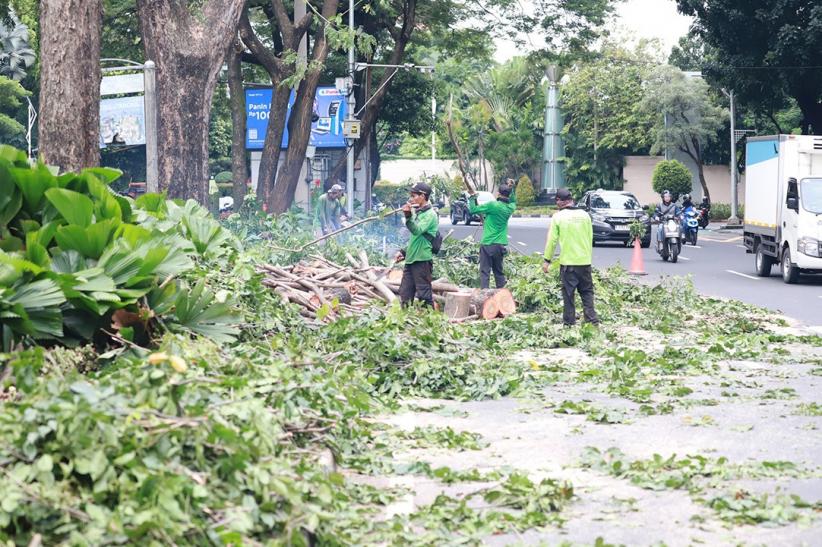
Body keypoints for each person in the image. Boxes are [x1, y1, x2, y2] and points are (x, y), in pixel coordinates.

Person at [542, 188, 599, 327]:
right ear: (571, 200)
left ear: (560, 201)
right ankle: (592, 321)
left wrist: (547, 260)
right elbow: (590, 237)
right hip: (585, 262)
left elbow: (552, 240)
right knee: (587, 292)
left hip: (569, 263)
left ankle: (569, 323)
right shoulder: (585, 215)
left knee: (568, 294)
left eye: (557, 201)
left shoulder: (558, 217)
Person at [395, 182, 438, 307]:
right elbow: (415, 239)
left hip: (422, 260)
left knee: (424, 295)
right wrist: (403, 252)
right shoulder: (418, 212)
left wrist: (408, 216)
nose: (411, 199)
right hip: (411, 259)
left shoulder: (430, 215)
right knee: (405, 294)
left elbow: (417, 230)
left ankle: (432, 322)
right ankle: (405, 321)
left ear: (423, 196)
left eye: (414, 196)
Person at [468, 179, 517, 288]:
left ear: (498, 193)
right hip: (500, 245)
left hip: (488, 243)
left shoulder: (492, 205)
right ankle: (501, 294)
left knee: (485, 272)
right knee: (499, 272)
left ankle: (484, 295)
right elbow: (514, 201)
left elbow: (473, 209)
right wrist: (511, 189)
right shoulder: (510, 208)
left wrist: (472, 197)